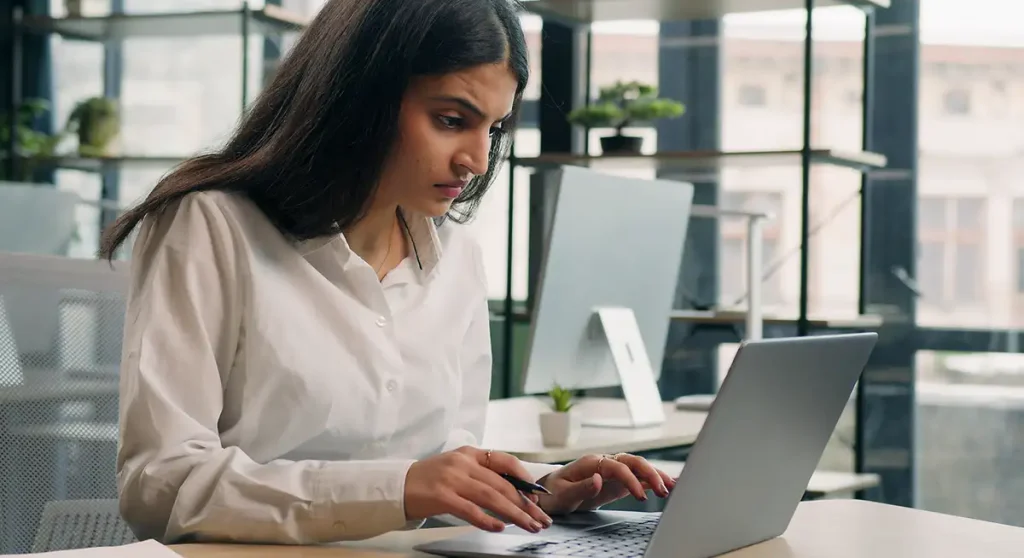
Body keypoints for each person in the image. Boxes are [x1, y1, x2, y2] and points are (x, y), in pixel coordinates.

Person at [102, 0, 675, 546]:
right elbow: (161, 486)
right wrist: (397, 490)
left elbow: (444, 457)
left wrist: (536, 486)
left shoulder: (457, 257)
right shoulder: (211, 225)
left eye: (494, 129)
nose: (476, 159)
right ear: (360, 96)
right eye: (452, 120)